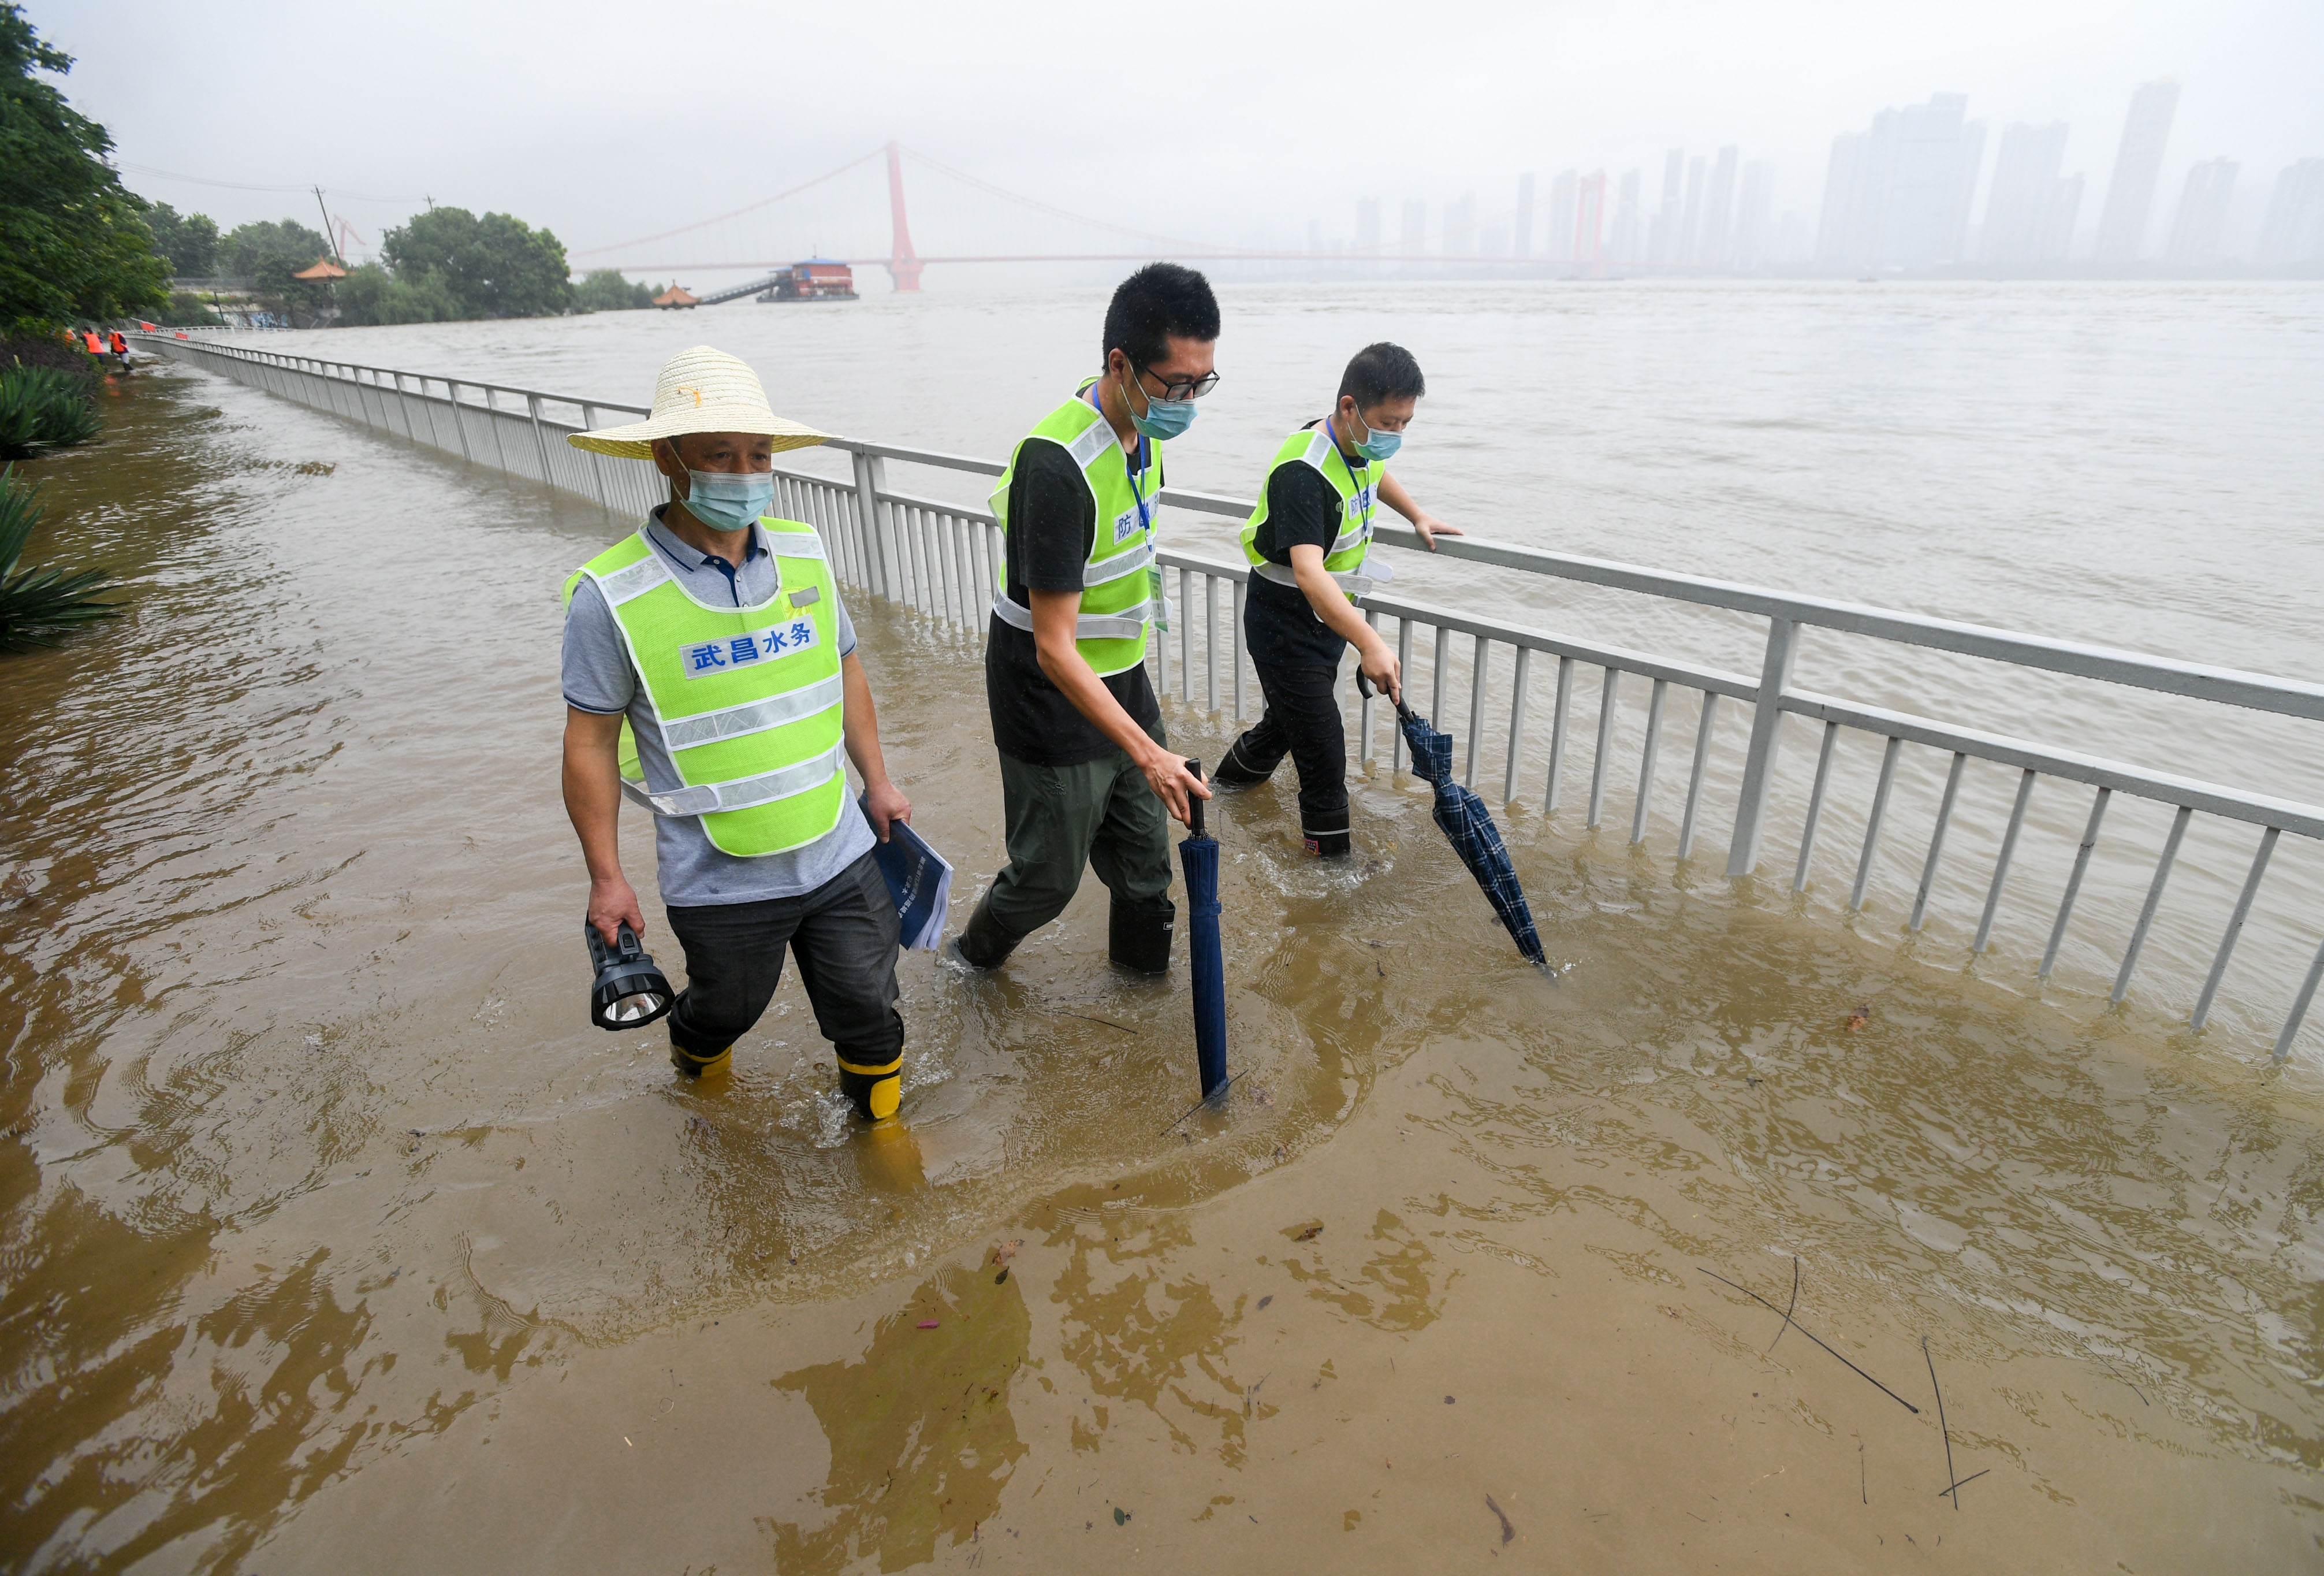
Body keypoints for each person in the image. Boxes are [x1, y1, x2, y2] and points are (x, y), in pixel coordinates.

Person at [560, 345, 915, 1120]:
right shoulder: (611, 597)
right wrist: (606, 877)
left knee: (868, 1005)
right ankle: (701, 1090)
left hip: (838, 846)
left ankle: (885, 1144)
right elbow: (587, 744)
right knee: (727, 1009)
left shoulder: (804, 553)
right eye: (720, 455)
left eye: (758, 455)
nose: (744, 472)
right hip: (720, 872)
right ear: (666, 458)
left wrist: (878, 782)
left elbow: (845, 669)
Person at [952, 263, 1219, 972]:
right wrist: (1149, 751)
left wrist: (1146, 749)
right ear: (1120, 364)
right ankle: (969, 961)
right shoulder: (1055, 464)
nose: (1188, 401)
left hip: (1121, 675)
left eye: (1203, 384)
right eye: (1176, 385)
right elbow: (1052, 646)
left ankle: (1142, 994)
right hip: (1048, 689)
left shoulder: (1143, 430)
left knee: (1145, 863)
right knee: (1046, 878)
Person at [1213, 342, 1461, 856]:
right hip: (1284, 623)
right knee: (1324, 750)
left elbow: (1374, 473)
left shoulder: (1356, 444)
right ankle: (1332, 873)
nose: (1395, 435)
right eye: (1388, 423)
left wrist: (1416, 514)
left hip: (1325, 621)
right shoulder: (1303, 472)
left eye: (1405, 425)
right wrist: (1370, 642)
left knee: (1285, 724)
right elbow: (1309, 573)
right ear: (1349, 408)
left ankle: (1222, 792)